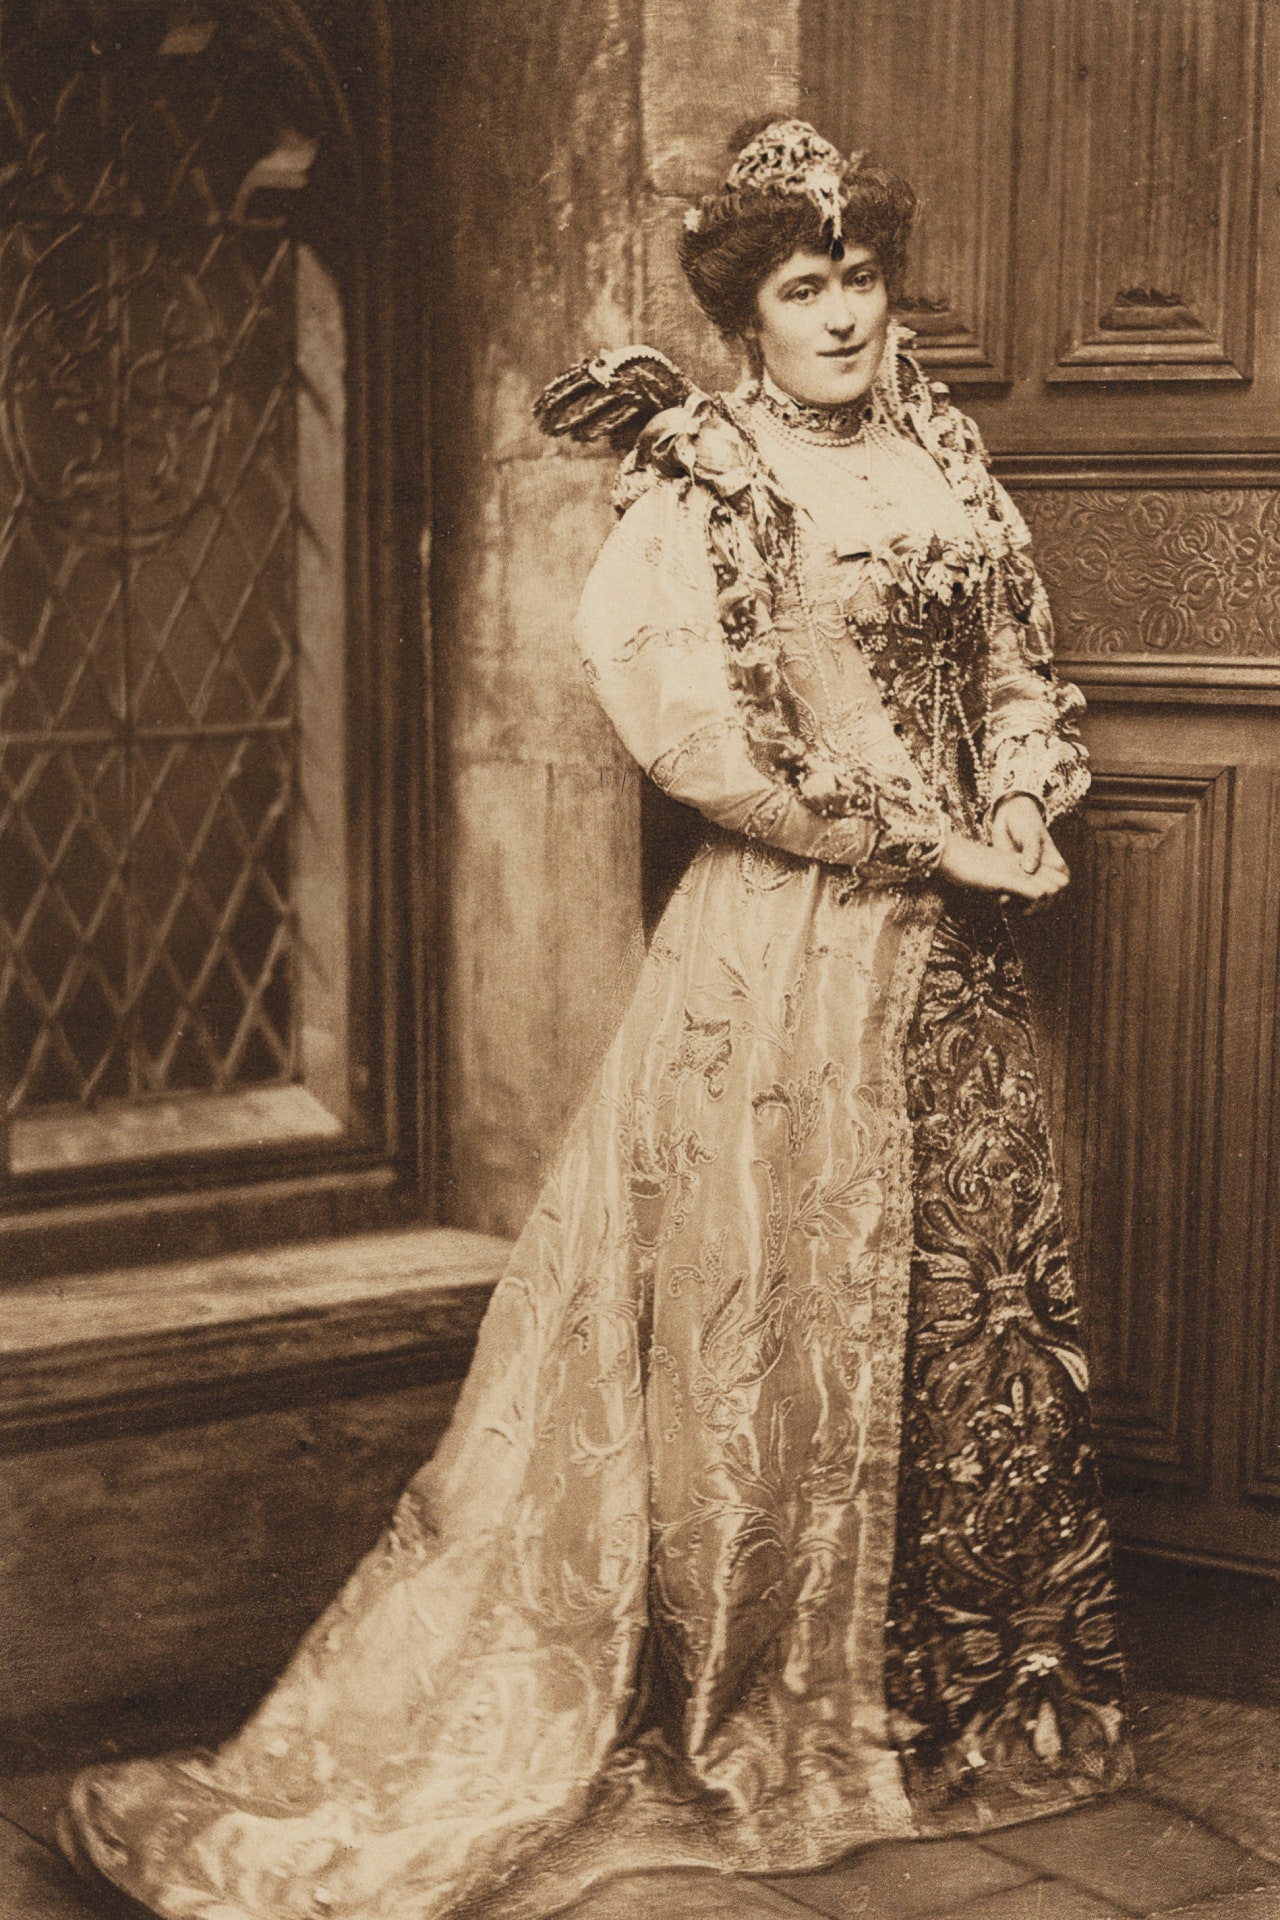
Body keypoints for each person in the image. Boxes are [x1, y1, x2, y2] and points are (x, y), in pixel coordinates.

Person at [61, 118, 1132, 1920]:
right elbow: (700, 737)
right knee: (766, 1316)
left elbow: (1020, 655)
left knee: (967, 1303)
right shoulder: (701, 482)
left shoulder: (948, 453)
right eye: (808, 289)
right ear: (749, 315)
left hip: (959, 953)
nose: (850, 315)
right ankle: (762, 1702)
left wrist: (1023, 794)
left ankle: (958, 1708)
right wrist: (919, 831)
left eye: (861, 276)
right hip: (784, 956)